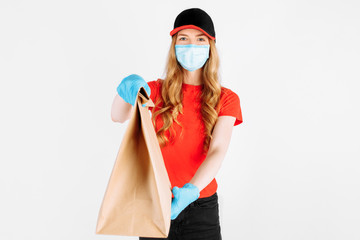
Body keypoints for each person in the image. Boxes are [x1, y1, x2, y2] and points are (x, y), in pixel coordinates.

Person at [111, 8, 243, 240]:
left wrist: (191, 190)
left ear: (210, 47)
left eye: (200, 39)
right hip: (156, 203)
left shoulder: (226, 98)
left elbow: (218, 150)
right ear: (174, 46)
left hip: (201, 207)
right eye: (184, 39)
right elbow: (117, 116)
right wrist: (125, 89)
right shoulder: (153, 90)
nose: (191, 46)